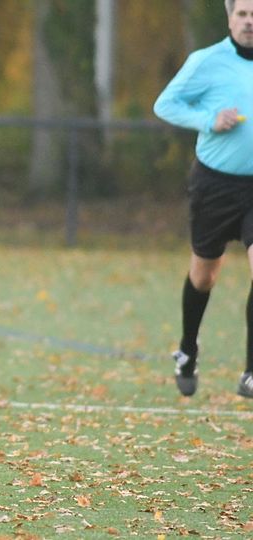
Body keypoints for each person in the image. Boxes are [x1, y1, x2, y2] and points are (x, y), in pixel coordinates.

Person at [154, 0, 253, 398]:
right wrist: (208, 120)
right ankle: (188, 350)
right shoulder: (206, 62)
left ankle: (250, 372)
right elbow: (165, 104)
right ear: (230, 18)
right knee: (204, 276)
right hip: (215, 186)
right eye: (243, 14)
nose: (250, 22)